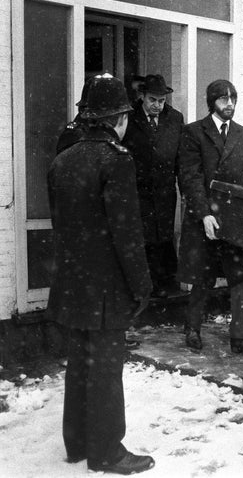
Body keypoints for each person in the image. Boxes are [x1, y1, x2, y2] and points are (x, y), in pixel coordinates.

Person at [46, 73, 155, 474]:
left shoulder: (61, 161)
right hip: (107, 286)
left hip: (72, 282)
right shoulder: (117, 160)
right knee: (107, 369)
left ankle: (76, 443)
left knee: (80, 364)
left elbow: (60, 225)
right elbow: (127, 233)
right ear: (118, 119)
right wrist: (142, 285)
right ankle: (107, 450)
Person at [177, 79, 243, 359]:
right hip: (203, 216)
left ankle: (240, 338)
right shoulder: (193, 133)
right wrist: (204, 214)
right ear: (211, 102)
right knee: (202, 277)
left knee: (240, 278)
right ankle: (193, 329)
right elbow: (189, 178)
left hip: (234, 219)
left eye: (233, 99)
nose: (230, 104)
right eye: (223, 99)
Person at [123, 74, 185, 298]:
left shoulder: (175, 119)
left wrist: (182, 186)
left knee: (163, 237)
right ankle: (142, 287)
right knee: (142, 238)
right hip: (138, 191)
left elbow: (180, 156)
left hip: (165, 191)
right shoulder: (128, 117)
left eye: (161, 101)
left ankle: (163, 285)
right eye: (152, 100)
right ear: (142, 96)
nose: (157, 105)